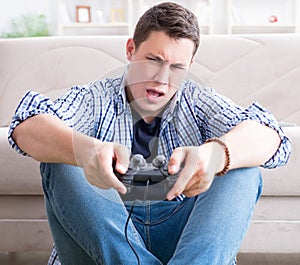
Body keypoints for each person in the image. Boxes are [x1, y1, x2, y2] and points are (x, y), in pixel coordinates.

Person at [8, 2, 291, 265]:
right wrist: (86, 151)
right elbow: (26, 124)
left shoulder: (196, 99)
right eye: (153, 60)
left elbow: (271, 135)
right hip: (106, 239)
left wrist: (214, 154)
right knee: (60, 160)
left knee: (242, 169)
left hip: (183, 240)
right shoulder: (96, 98)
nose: (162, 78)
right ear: (131, 50)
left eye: (177, 67)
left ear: (189, 67)